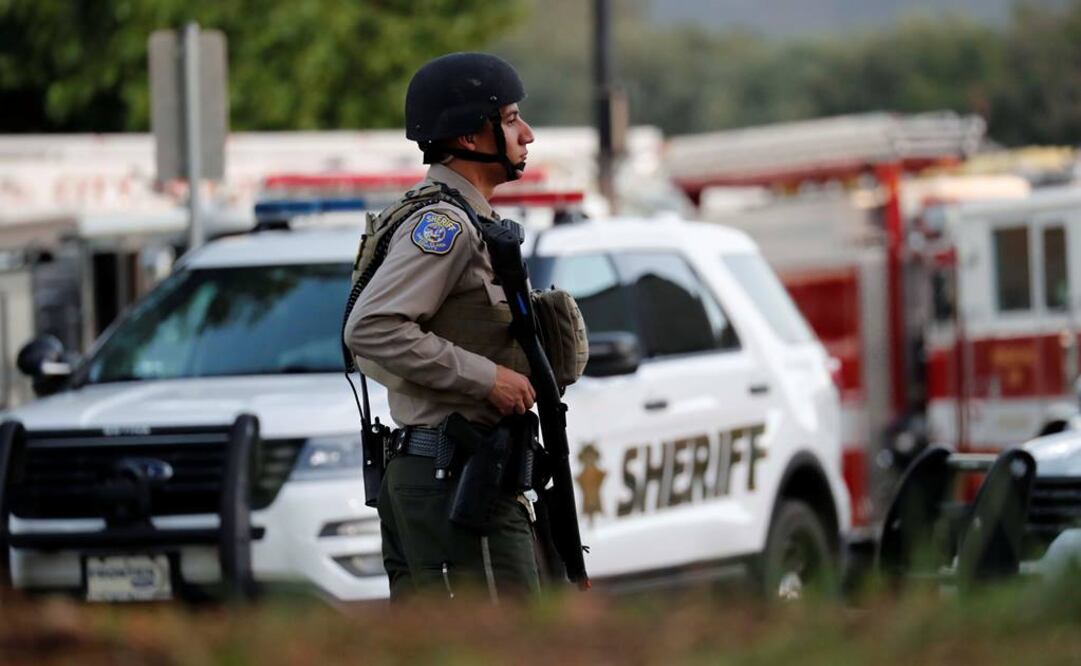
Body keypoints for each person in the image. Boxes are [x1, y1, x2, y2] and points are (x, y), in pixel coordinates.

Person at [343, 52, 542, 602]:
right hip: (453, 477)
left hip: (456, 472)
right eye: (510, 119)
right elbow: (373, 326)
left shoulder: (466, 217)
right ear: (472, 136)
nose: (526, 135)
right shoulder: (445, 224)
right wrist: (488, 380)